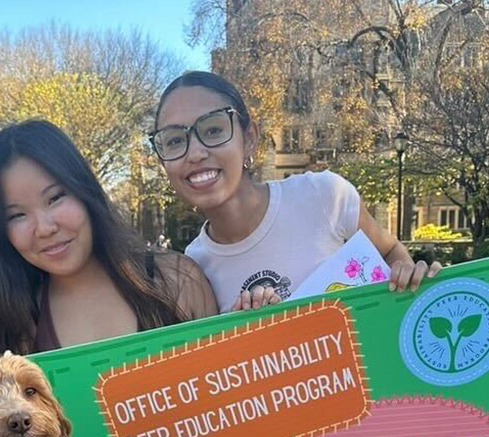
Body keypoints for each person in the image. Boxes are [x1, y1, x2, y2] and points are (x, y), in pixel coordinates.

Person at [0, 119, 218, 437]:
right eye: (17, 215)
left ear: (84, 191)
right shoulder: (16, 333)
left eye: (55, 197)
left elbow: (231, 417)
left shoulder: (175, 281)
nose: (43, 226)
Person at [150, 71, 442, 312]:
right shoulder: (194, 269)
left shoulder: (323, 195)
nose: (196, 152)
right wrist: (240, 334)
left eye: (213, 130)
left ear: (249, 138)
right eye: (174, 140)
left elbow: (390, 251)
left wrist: (406, 273)